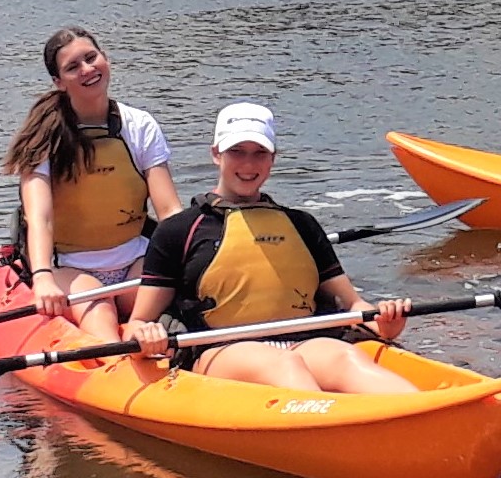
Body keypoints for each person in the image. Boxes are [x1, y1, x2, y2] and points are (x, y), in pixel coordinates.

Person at [103, 104, 419, 395]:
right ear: (216, 154)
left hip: (304, 343)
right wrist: (145, 336)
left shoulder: (302, 225)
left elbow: (354, 305)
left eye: (259, 153)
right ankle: (325, 435)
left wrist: (385, 324)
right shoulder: (179, 231)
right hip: (218, 351)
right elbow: (138, 321)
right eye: (236, 151)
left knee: (348, 358)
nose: (248, 164)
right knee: (282, 366)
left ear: (273, 158)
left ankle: (421, 412)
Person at [8, 26, 186, 334]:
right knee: (100, 314)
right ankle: (116, 357)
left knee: (165, 312)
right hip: (73, 268)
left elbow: (169, 211)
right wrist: (42, 277)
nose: (87, 69)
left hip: (137, 260)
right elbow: (41, 218)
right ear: (58, 82)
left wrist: (198, 258)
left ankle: (145, 336)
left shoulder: (139, 125)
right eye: (73, 67)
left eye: (92, 58)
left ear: (106, 59)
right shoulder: (43, 137)